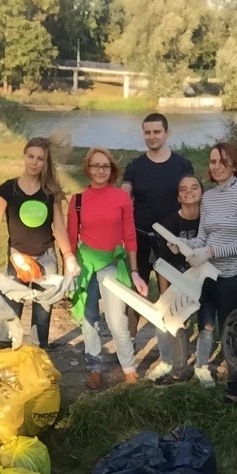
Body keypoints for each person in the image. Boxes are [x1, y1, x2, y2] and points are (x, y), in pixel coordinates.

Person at [0, 136, 79, 348]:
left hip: (46, 258)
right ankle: (6, 351)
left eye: (40, 159)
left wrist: (68, 257)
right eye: (30, 156)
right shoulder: (7, 189)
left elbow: (58, 227)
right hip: (17, 258)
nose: (34, 162)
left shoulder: (50, 191)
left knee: (42, 313)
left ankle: (39, 352)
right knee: (11, 309)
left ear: (45, 162)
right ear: (24, 156)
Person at [68, 148, 148, 389]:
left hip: (113, 265)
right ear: (88, 169)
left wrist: (134, 271)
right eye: (95, 166)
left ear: (111, 169)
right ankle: (94, 368)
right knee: (89, 318)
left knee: (116, 321)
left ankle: (129, 369)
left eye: (105, 166)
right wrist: (68, 271)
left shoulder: (121, 198)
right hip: (86, 266)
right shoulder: (78, 200)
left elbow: (130, 236)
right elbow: (72, 237)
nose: (100, 171)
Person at [186, 142, 237, 401]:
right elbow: (203, 236)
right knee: (205, 326)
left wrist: (212, 252)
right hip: (206, 276)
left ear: (234, 164)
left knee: (231, 332)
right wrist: (185, 244)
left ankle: (233, 387)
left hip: (231, 277)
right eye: (213, 161)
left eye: (222, 161)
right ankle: (202, 369)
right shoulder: (208, 196)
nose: (216, 167)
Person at [121, 113, 194, 359]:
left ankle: (175, 346)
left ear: (167, 133)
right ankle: (128, 342)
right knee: (136, 291)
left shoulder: (182, 165)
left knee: (172, 295)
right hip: (141, 237)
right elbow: (124, 195)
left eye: (157, 132)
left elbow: (192, 196)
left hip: (172, 241)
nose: (152, 137)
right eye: (147, 132)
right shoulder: (134, 166)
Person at [154, 174, 204, 384]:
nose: (189, 192)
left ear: (202, 193)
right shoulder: (171, 222)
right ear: (178, 197)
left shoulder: (207, 219)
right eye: (183, 189)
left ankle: (202, 366)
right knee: (176, 322)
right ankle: (178, 368)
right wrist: (165, 294)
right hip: (177, 281)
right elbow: (163, 263)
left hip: (203, 280)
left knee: (206, 324)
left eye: (194, 187)